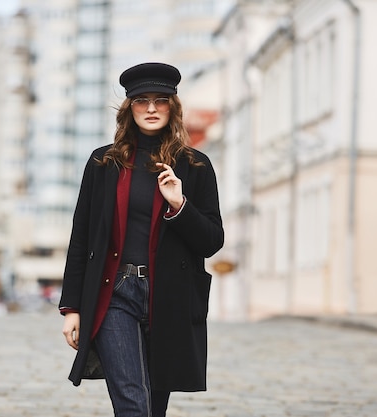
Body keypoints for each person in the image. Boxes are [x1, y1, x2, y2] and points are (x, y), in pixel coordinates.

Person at [59, 62, 224, 417]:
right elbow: (81, 237)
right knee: (133, 401)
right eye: (141, 100)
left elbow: (211, 241)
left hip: (170, 298)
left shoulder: (195, 166)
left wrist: (179, 204)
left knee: (155, 406)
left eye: (160, 100)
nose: (151, 108)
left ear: (173, 107)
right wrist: (71, 307)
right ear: (129, 108)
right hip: (115, 294)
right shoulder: (103, 163)